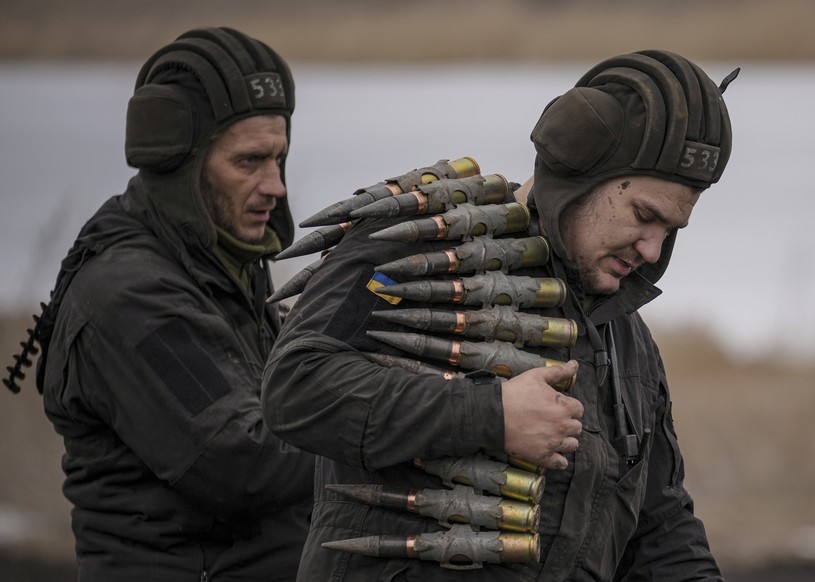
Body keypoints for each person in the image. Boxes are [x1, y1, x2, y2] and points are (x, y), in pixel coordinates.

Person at [261, 49, 737, 581]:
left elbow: (660, 528)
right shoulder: (406, 255)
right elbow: (296, 386)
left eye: (670, 230)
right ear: (581, 171)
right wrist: (491, 413)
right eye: (644, 216)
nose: (653, 249)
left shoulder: (627, 345)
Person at [34, 27, 314, 581]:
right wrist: (399, 425)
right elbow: (245, 461)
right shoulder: (127, 298)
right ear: (181, 164)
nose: (275, 186)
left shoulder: (222, 267)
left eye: (279, 158)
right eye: (249, 162)